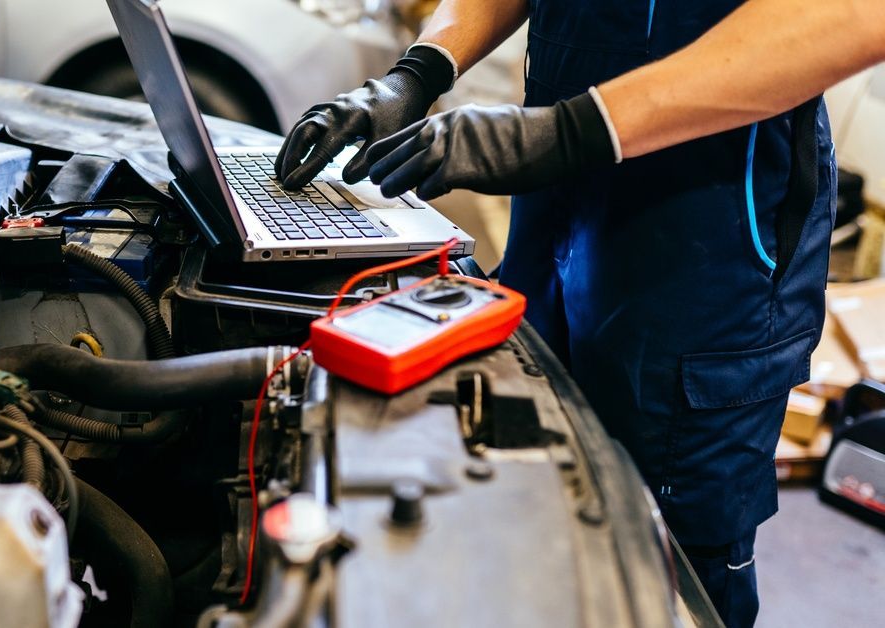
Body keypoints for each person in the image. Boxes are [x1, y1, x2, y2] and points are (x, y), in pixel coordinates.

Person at [275, 1, 885, 626]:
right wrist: (420, 72)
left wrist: (567, 132)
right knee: (532, 494)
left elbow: (855, 17)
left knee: (672, 568)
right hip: (556, 202)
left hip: (706, 243)